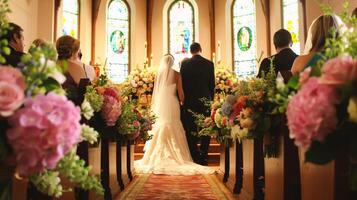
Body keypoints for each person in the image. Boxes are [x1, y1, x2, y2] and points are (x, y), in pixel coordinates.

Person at [135, 54, 215, 175]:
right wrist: (182, 101)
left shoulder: (159, 74)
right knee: (174, 125)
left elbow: (156, 91)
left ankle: (155, 155)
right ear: (172, 63)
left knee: (161, 123)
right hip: (172, 103)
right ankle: (179, 155)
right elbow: (181, 94)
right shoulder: (176, 74)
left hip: (161, 103)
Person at [180, 43, 215, 165]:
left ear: (191, 51)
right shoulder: (209, 64)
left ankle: (195, 156)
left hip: (190, 101)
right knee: (206, 128)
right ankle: (204, 155)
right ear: (200, 50)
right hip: (205, 100)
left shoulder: (184, 64)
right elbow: (212, 85)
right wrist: (211, 101)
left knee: (190, 129)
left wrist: (183, 101)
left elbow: (182, 84)